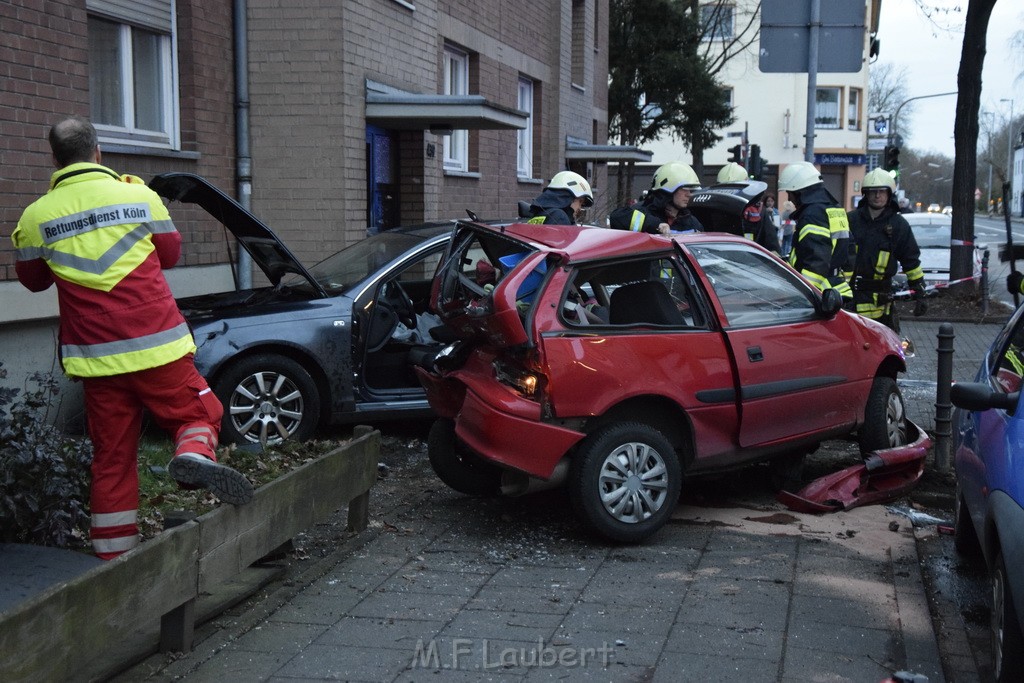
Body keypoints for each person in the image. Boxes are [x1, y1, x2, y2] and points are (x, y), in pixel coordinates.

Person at [11, 116, 254, 560]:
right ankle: (195, 457)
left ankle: (114, 561)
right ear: (98, 151)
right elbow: (171, 255)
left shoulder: (36, 216)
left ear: (54, 158)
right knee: (200, 414)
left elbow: (32, 282)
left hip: (97, 362)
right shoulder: (138, 195)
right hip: (157, 346)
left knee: (111, 460)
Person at [846, 168, 927, 332]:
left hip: (882, 304)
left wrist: (920, 292)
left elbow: (910, 260)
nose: (877, 196)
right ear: (866, 194)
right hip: (850, 298)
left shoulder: (898, 225)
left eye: (882, 191)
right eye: (873, 191)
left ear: (889, 194)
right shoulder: (850, 220)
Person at [777, 162, 852, 299]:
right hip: (837, 288)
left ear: (799, 192)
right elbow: (850, 248)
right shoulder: (834, 209)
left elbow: (816, 261)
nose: (789, 199)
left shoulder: (812, 214)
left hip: (820, 293)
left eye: (790, 193)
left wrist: (803, 294)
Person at [609, 161, 703, 234]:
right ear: (669, 189)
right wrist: (655, 225)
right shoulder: (644, 212)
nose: (689, 194)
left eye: (690, 190)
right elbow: (616, 218)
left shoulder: (692, 223)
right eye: (684, 189)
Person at [522, 171, 594, 225]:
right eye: (580, 202)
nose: (579, 208)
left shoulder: (544, 213)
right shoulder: (559, 217)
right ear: (569, 197)